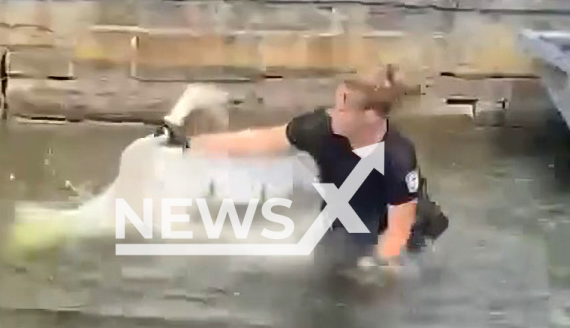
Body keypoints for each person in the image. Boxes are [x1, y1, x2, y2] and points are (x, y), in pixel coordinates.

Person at [155, 65, 448, 277]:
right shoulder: (320, 128)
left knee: (382, 284)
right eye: (336, 103)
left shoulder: (396, 156)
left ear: (371, 116)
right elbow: (257, 141)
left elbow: (397, 232)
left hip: (397, 236)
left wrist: (375, 269)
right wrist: (189, 144)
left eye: (344, 109)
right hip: (343, 229)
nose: (334, 113)